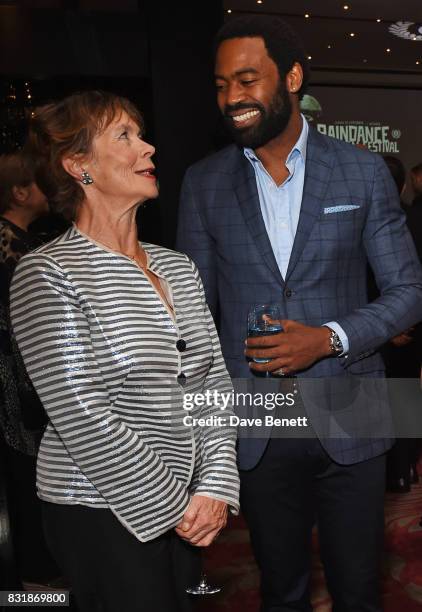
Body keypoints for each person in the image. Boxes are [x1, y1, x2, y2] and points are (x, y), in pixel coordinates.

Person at [176, 15, 422, 612]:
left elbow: (409, 291)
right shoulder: (203, 183)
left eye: (246, 80)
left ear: (291, 77)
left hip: (355, 408)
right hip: (255, 415)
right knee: (279, 590)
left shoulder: (361, 171)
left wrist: (331, 339)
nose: (231, 98)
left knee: (359, 588)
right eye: (219, 84)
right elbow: (193, 317)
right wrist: (199, 430)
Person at [10, 90, 239, 612]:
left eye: (141, 134)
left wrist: (216, 486)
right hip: (98, 509)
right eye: (126, 137)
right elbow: (82, 413)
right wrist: (178, 505)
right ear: (77, 166)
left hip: (190, 503)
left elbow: (214, 385)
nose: (149, 148)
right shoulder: (48, 273)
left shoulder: (178, 267)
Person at [0, 152, 59, 587]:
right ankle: (36, 590)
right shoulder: (11, 247)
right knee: (25, 490)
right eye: (40, 183)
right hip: (17, 394)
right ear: (20, 192)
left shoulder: (24, 242)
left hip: (25, 389)